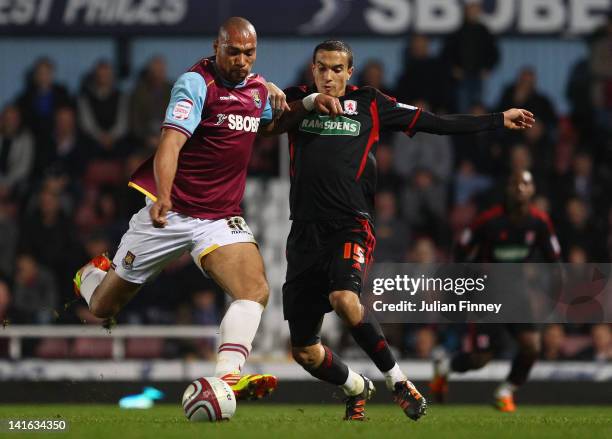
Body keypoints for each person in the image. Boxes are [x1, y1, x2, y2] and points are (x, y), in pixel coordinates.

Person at [261, 40, 534, 421]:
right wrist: (286, 96)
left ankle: (398, 380)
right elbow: (264, 128)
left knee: (344, 298)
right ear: (312, 68)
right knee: (305, 351)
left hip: (350, 224)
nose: (328, 76)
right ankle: (356, 386)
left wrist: (496, 119)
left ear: (349, 73)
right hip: (304, 232)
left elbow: (433, 123)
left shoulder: (371, 102)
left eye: (336, 69)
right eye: (322, 67)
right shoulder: (297, 100)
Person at [72, 17, 298, 401]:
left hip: (221, 217)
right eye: (233, 51)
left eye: (249, 53)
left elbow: (262, 127)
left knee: (255, 290)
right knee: (102, 308)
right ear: (216, 47)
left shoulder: (258, 89)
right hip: (172, 212)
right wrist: (162, 195)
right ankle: (90, 276)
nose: (242, 60)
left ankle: (225, 379)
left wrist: (291, 104)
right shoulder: (196, 85)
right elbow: (171, 144)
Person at [430, 170, 562, 412]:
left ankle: (505, 392)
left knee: (532, 346)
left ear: (532, 190)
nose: (520, 188)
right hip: (487, 295)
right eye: (515, 183)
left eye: (525, 183)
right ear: (507, 189)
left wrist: (550, 296)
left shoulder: (539, 222)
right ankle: (445, 368)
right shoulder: (488, 220)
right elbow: (460, 251)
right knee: (481, 359)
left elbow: (554, 261)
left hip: (517, 294)